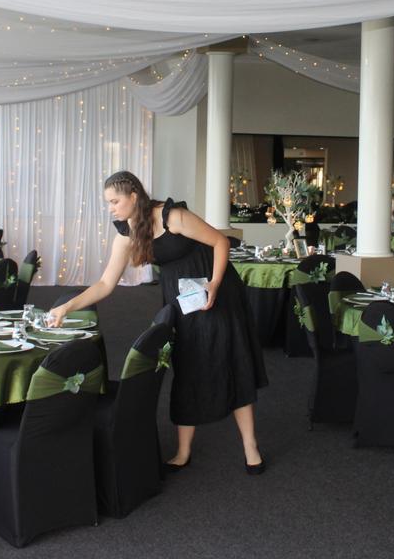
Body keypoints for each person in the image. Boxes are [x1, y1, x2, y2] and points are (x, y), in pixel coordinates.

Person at [47, 171, 268, 474]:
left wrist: (215, 284)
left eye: (114, 201)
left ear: (133, 196)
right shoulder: (127, 232)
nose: (110, 208)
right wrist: (67, 307)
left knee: (230, 360)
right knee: (188, 364)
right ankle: (184, 450)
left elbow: (220, 242)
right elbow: (105, 284)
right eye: (108, 203)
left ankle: (250, 446)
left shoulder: (172, 216)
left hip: (215, 288)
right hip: (181, 299)